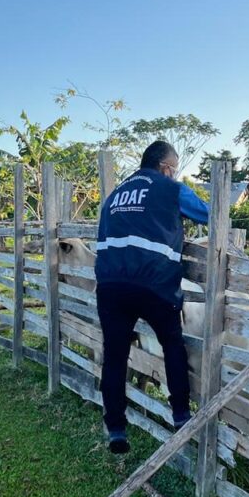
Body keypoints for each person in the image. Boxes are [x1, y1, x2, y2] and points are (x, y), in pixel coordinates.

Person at [95, 140, 210, 453]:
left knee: (115, 356)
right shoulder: (171, 188)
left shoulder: (115, 194)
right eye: (174, 168)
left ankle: (116, 429)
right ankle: (181, 415)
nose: (174, 173)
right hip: (154, 283)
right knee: (172, 343)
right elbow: (208, 214)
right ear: (166, 167)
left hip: (111, 284)